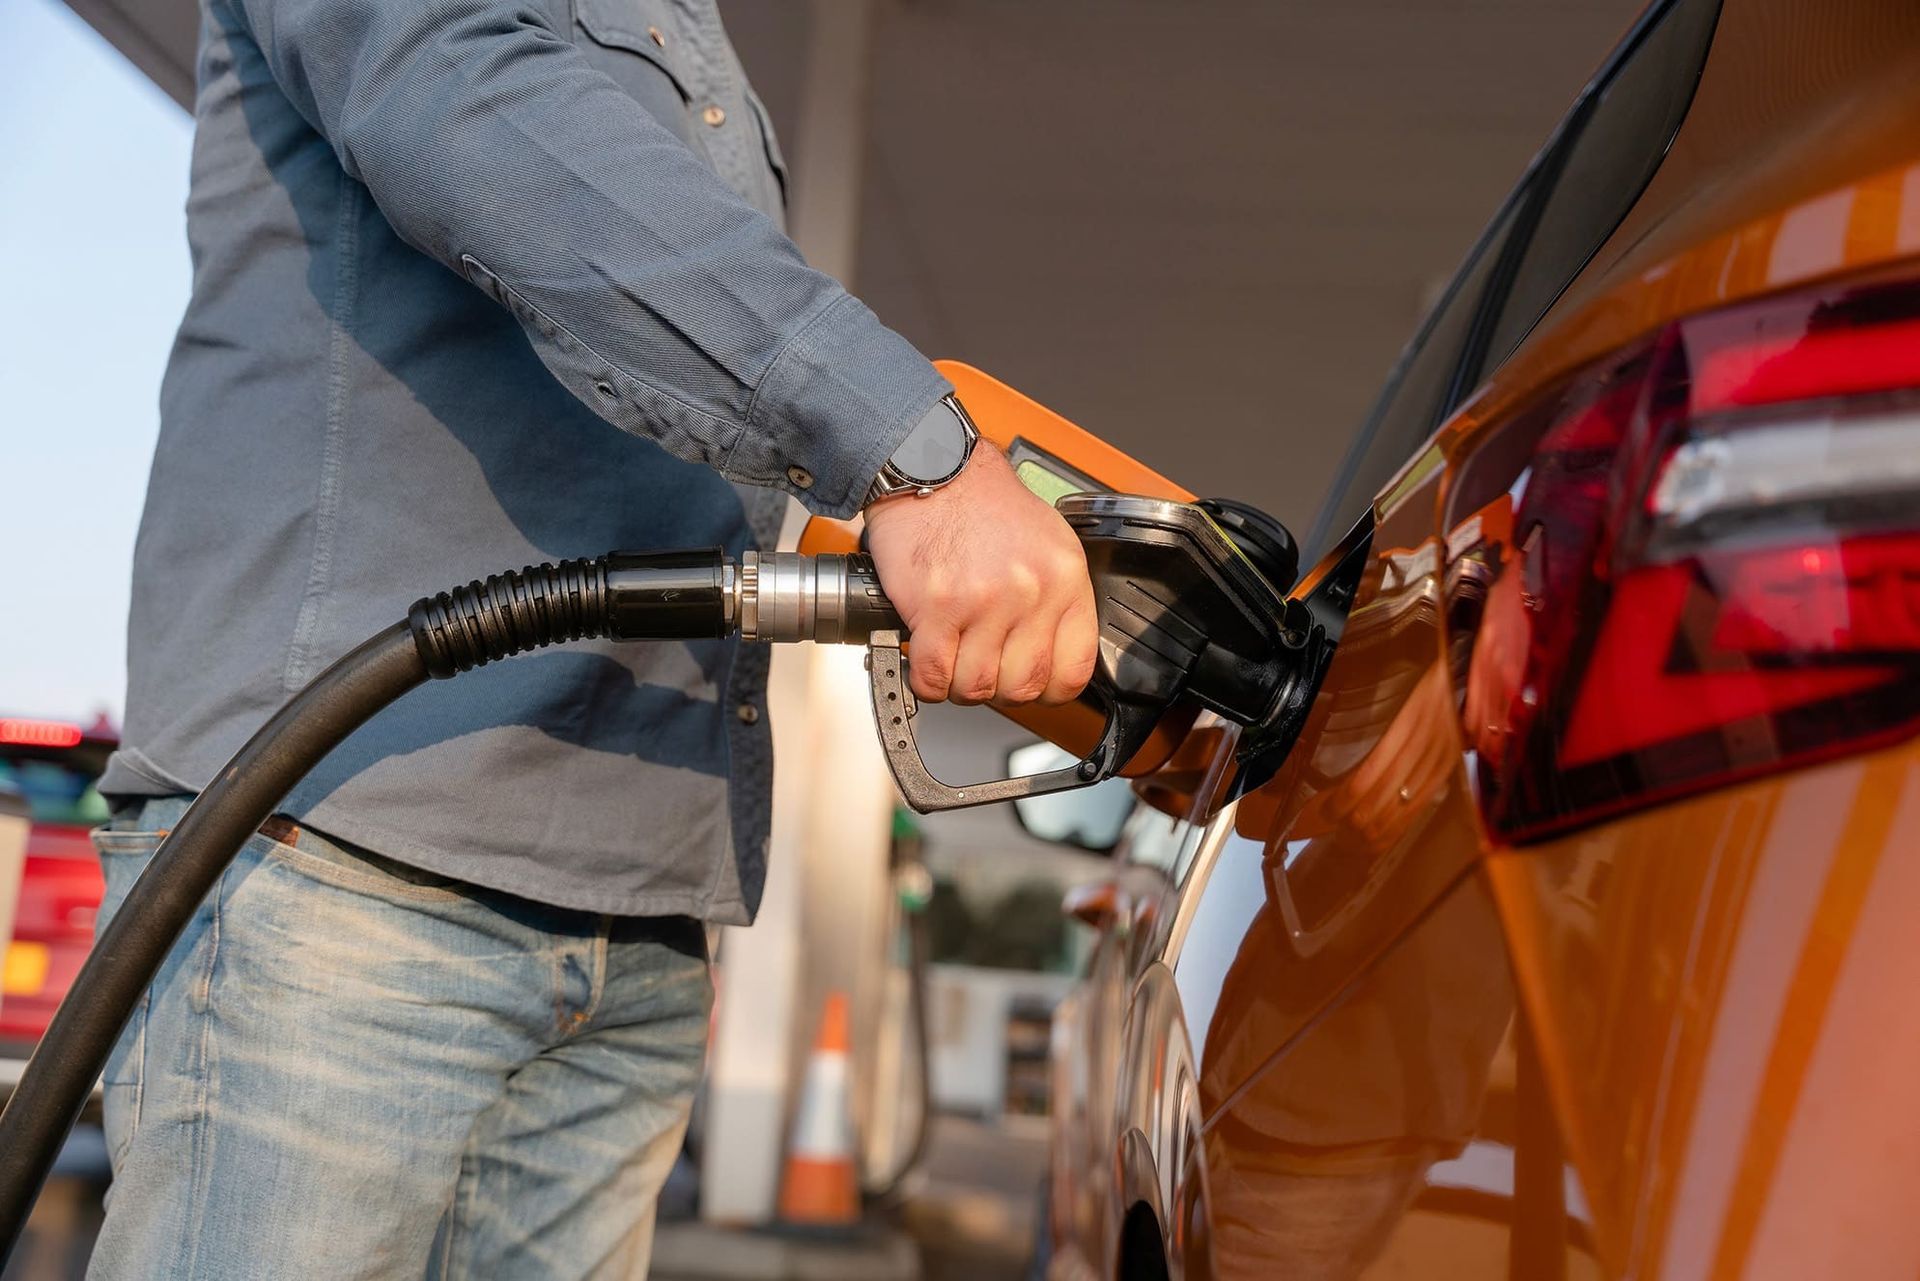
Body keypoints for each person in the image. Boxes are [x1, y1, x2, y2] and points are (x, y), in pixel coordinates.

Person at [89, 0, 1097, 1275]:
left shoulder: (697, 39)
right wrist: (913, 454)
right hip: (352, 863)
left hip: (627, 924)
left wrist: (662, 914)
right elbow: (480, 113)